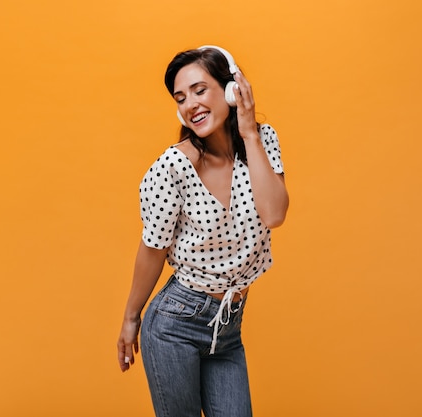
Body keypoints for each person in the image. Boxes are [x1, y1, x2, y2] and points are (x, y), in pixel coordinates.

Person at [116, 45, 289, 417]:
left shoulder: (262, 140)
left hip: (227, 328)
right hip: (176, 324)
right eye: (181, 98)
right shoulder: (172, 168)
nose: (189, 105)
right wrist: (132, 318)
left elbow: (274, 214)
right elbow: (153, 249)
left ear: (230, 89)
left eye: (199, 90)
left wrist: (249, 133)